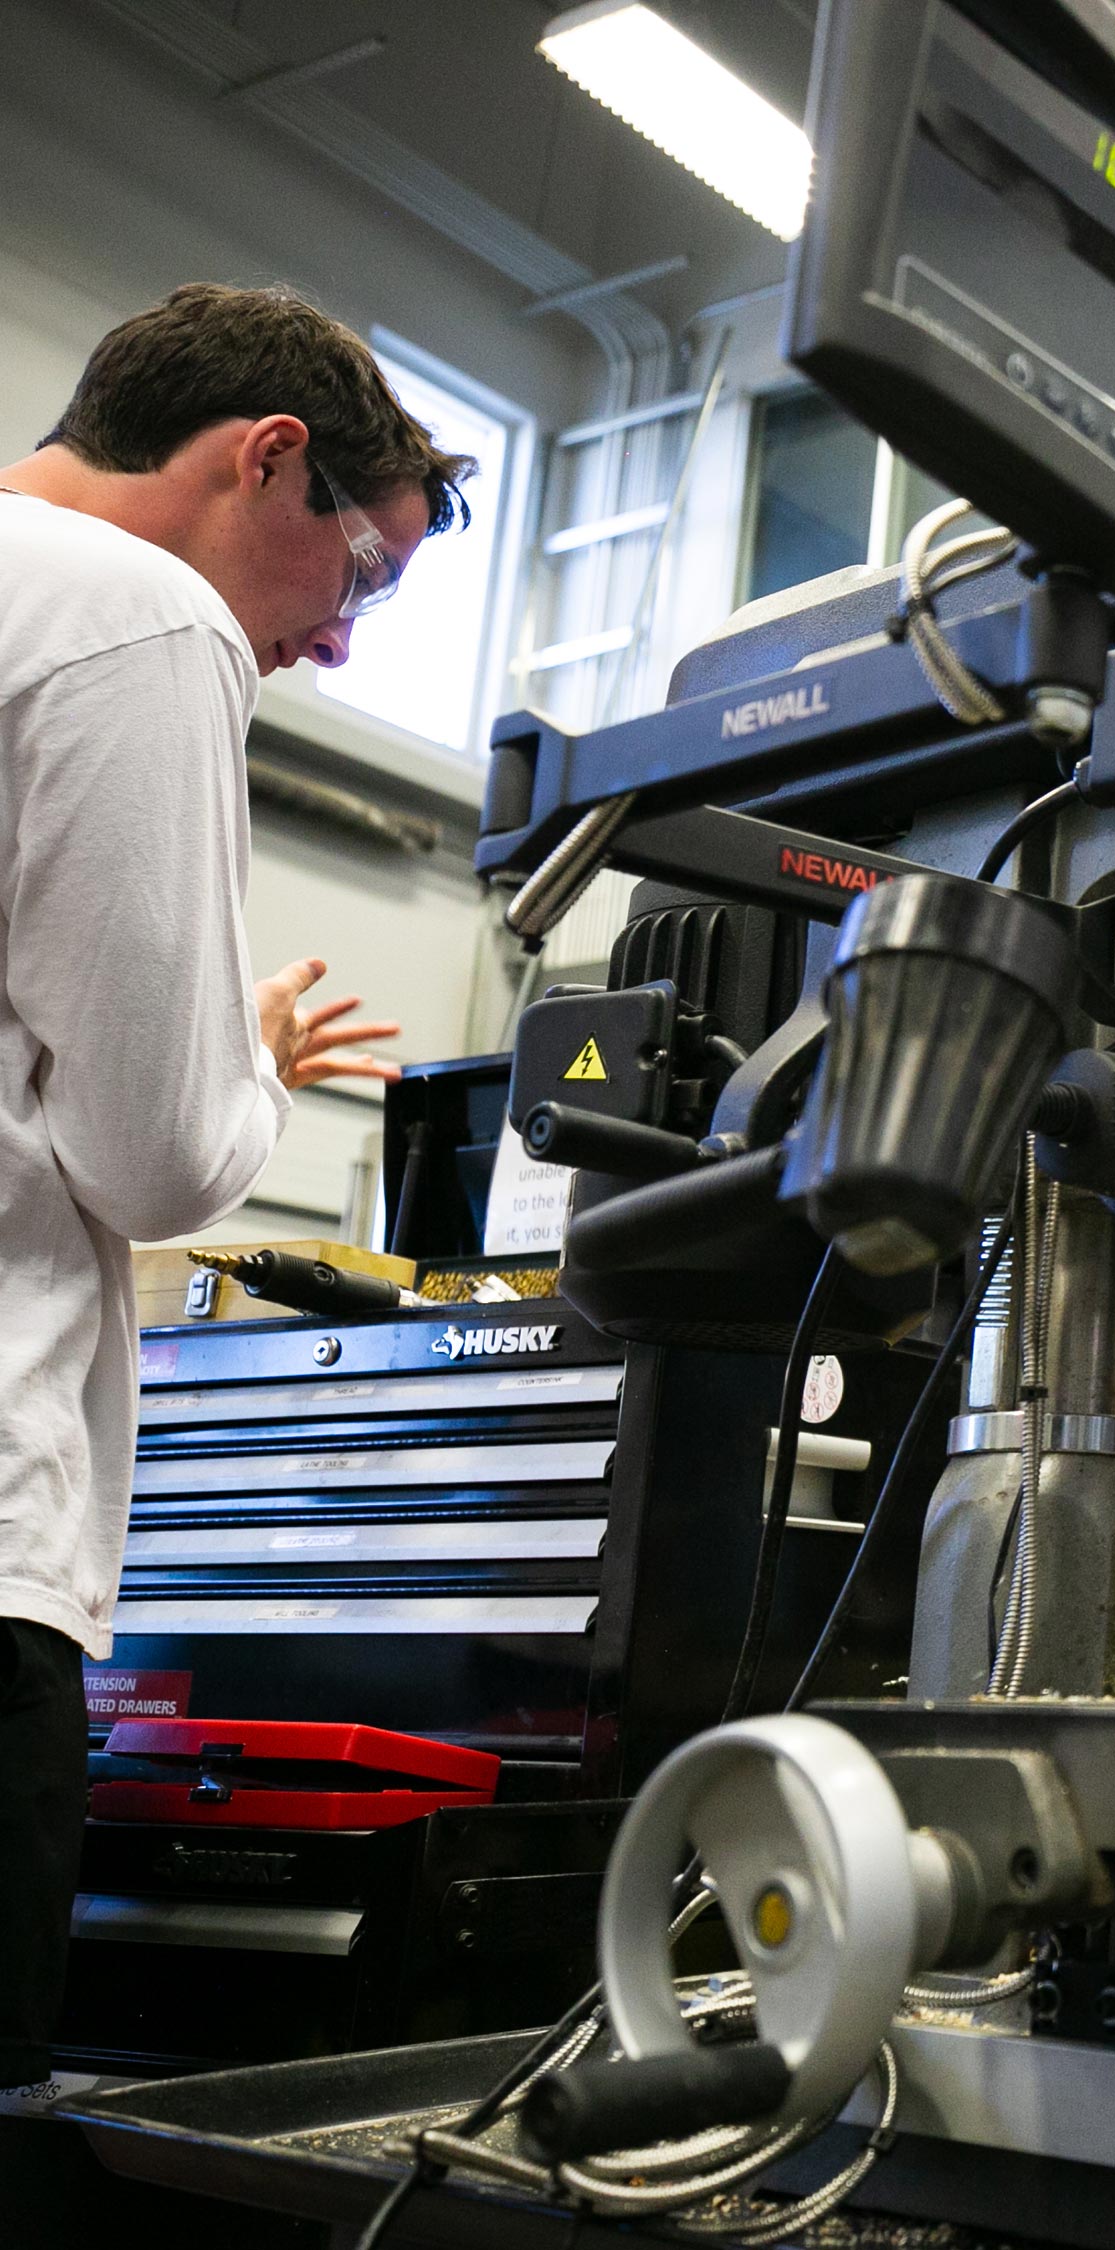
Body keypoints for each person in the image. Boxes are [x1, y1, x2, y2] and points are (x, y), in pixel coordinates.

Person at [0, 282, 469, 2088]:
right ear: (263, 457)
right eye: (359, 577)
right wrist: (249, 1065)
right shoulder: (141, 619)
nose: (340, 645)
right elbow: (161, 1153)